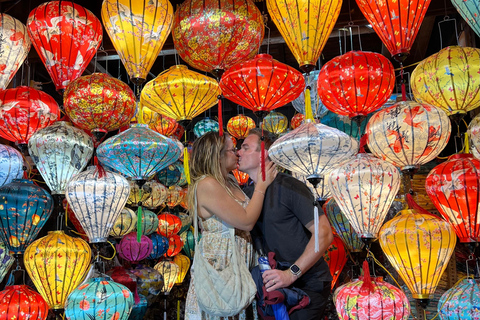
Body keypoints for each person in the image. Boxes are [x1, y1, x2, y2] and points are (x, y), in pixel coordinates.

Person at [238, 128, 334, 320]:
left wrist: (291, 273)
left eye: (245, 148)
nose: (238, 152)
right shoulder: (248, 195)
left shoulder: (289, 186)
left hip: (307, 284)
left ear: (264, 154)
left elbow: (324, 234)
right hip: (275, 286)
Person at [184, 131, 277, 320]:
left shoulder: (230, 181)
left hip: (238, 267)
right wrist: (261, 186)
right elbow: (246, 221)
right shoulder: (206, 184)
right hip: (221, 271)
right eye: (231, 150)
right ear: (216, 155)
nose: (236, 154)